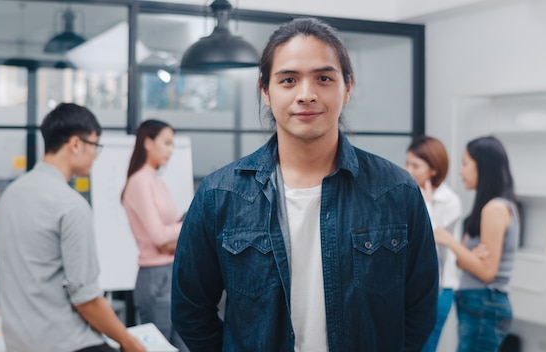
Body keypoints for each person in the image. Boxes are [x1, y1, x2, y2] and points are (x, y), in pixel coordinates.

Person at [171, 17, 438, 352]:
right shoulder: (219, 195)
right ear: (265, 92)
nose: (306, 95)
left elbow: (420, 307)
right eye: (288, 80)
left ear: (348, 88)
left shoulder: (396, 190)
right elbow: (190, 311)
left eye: (324, 78)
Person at [0, 103, 145, 352]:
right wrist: (129, 342)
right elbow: (86, 300)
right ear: (75, 144)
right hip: (67, 343)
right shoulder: (71, 205)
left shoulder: (10, 196)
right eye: (95, 145)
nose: (96, 155)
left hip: (18, 342)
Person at [433, 136, 520, 352]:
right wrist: (469, 255)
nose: (461, 171)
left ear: (483, 166)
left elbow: (486, 271)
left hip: (485, 303)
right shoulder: (485, 208)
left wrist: (449, 240)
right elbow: (465, 262)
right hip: (479, 304)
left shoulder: (495, 209)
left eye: (465, 163)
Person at [121, 119, 188, 352]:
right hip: (155, 277)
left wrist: (177, 232)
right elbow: (160, 237)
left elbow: (168, 235)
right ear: (148, 143)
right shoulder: (139, 182)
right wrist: (190, 225)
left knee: (183, 344)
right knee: (161, 347)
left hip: (172, 271)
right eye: (167, 143)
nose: (170, 150)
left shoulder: (157, 183)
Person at [405, 136, 462, 352]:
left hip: (439, 290)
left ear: (434, 170)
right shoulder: (409, 193)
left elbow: (431, 237)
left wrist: (427, 203)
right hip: (411, 288)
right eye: (407, 163)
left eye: (415, 165)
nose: (408, 169)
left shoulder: (450, 201)